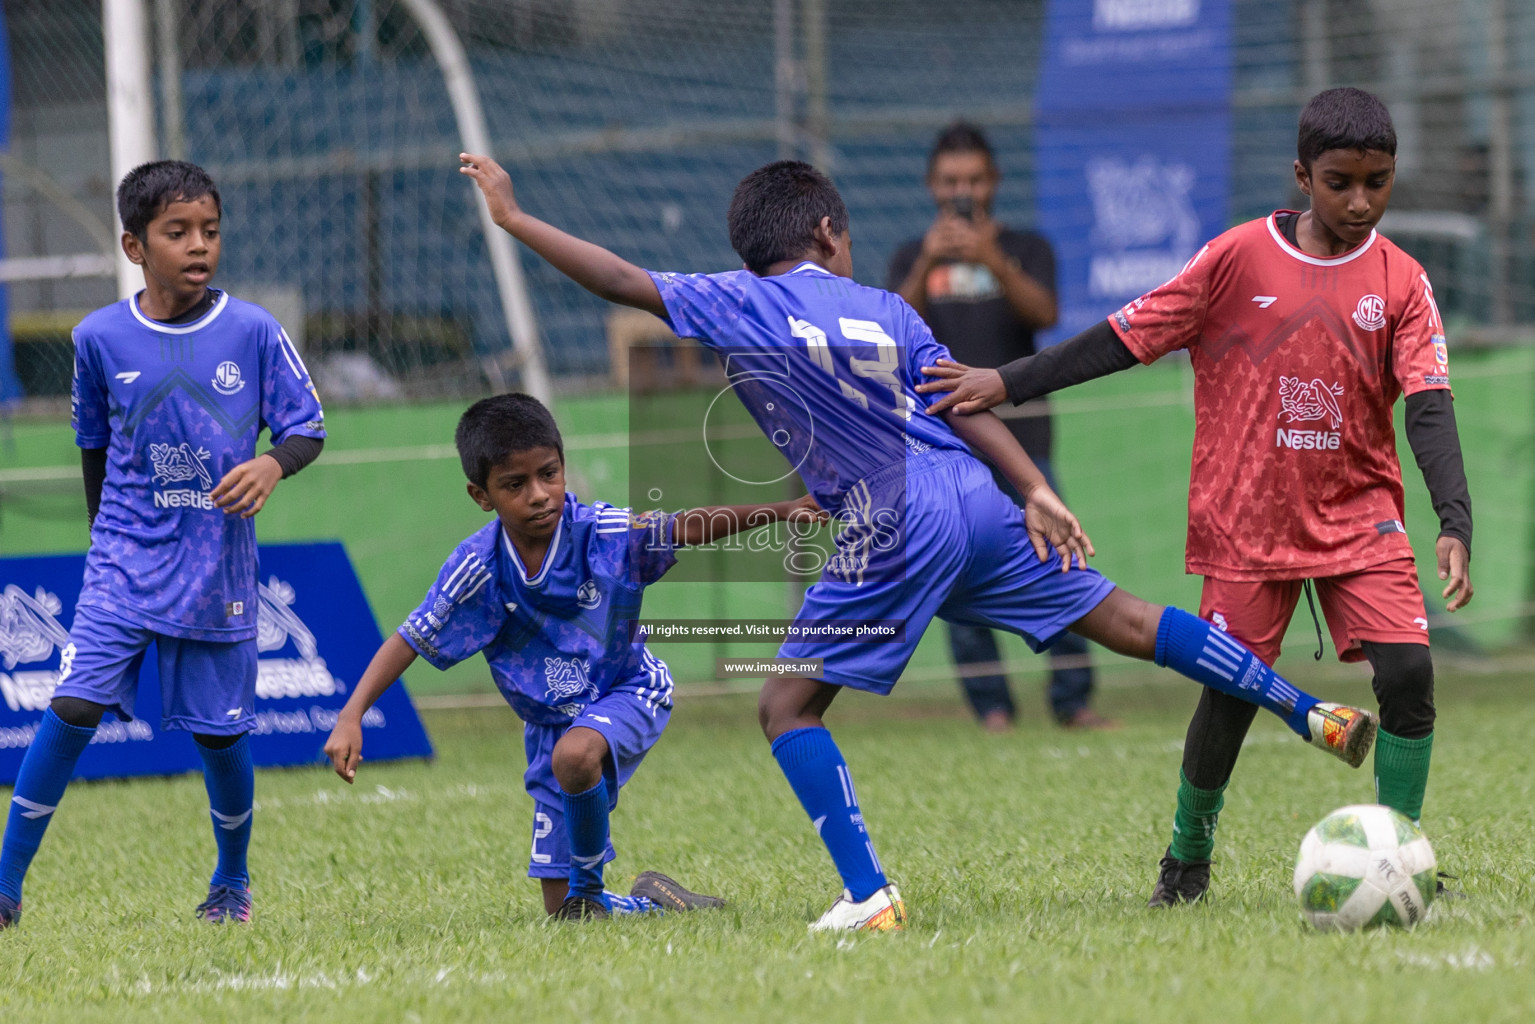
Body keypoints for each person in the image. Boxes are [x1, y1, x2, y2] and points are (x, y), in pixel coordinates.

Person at [457, 151, 1380, 932]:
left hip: (891, 517)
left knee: (785, 706)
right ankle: (1309, 710)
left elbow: (618, 277)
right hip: (975, 500)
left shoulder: (733, 301)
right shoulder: (887, 310)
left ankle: (868, 897)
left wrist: (512, 216)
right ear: (827, 233)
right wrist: (1035, 489)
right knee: (1126, 617)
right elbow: (965, 401)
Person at [917, 88, 1471, 907]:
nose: (1360, 202)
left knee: (1409, 671)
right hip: (1246, 520)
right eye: (1340, 181)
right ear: (1300, 176)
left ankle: (1400, 855)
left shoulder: (1402, 281)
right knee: (1230, 693)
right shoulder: (1235, 259)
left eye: (1377, 182)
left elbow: (1428, 404)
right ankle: (1186, 858)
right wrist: (1005, 381)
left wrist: (1453, 519)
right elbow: (1122, 336)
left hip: (1360, 515)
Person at [323, 393, 826, 920]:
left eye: (549, 474)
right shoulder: (478, 567)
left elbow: (685, 526)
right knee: (560, 909)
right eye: (515, 485)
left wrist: (784, 510)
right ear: (482, 495)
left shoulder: (602, 534)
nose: (539, 495)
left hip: (629, 689)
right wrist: (352, 714)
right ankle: (651, 904)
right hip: (549, 723)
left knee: (576, 758)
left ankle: (587, 887)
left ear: (563, 467)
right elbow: (410, 638)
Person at [0, 160, 327, 929]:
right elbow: (92, 445)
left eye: (209, 230)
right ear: (133, 245)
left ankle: (232, 882)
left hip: (217, 566)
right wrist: (100, 543)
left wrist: (272, 463)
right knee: (73, 703)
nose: (197, 245)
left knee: (220, 735)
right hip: (122, 561)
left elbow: (306, 427)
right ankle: (6, 890)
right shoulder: (98, 338)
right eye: (176, 232)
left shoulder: (251, 330)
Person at [888, 121, 1112, 732]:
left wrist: (991, 257)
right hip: (939, 447)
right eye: (952, 181)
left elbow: (1045, 314)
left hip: (1025, 442)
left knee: (1059, 558)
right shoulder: (912, 255)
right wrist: (931, 260)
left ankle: (1074, 697)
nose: (965, 191)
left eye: (975, 179)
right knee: (957, 570)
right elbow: (889, 332)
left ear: (994, 182)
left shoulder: (1027, 246)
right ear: (932, 185)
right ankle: (992, 709)